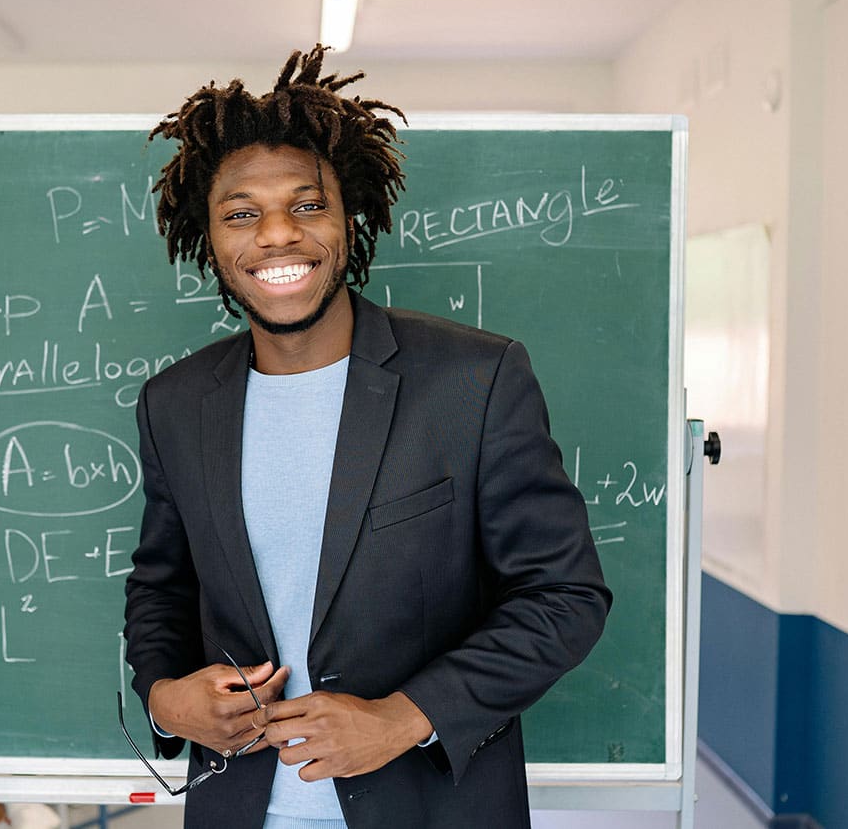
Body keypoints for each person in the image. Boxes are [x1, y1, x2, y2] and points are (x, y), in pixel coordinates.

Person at [121, 46, 613, 829]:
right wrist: (164, 695)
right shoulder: (177, 403)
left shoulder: (475, 380)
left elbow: (564, 595)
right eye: (241, 212)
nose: (277, 235)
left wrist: (404, 716)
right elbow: (162, 588)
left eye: (307, 205)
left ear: (351, 217)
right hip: (240, 809)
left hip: (432, 808)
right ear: (207, 238)